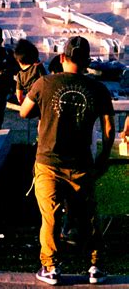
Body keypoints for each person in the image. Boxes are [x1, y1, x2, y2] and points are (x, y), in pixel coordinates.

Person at [20, 36, 115, 286]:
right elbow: (108, 129)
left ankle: (51, 267)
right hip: (81, 164)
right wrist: (103, 158)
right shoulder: (98, 89)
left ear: (62, 58)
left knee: (50, 218)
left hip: (48, 162)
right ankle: (95, 266)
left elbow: (24, 112)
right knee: (88, 217)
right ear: (86, 62)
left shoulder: (44, 83)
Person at [13, 39, 47, 105]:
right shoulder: (38, 67)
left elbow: (19, 97)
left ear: (18, 61)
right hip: (41, 100)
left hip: (31, 101)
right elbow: (45, 81)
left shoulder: (19, 75)